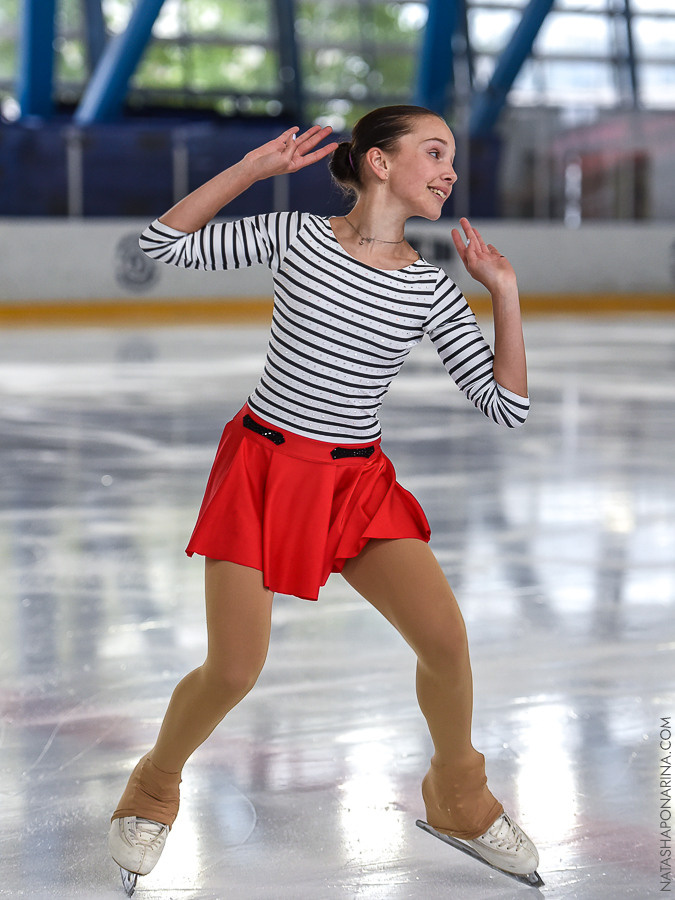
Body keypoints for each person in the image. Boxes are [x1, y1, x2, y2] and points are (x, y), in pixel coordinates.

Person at [108, 105, 540, 888]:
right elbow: (158, 244)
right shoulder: (295, 236)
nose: (448, 170)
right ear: (378, 162)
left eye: (450, 157)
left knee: (444, 639)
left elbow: (504, 404)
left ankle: (460, 795)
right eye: (432, 152)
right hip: (263, 470)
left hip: (356, 482)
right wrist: (251, 173)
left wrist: (502, 291)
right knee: (235, 670)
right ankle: (153, 784)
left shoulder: (430, 290)